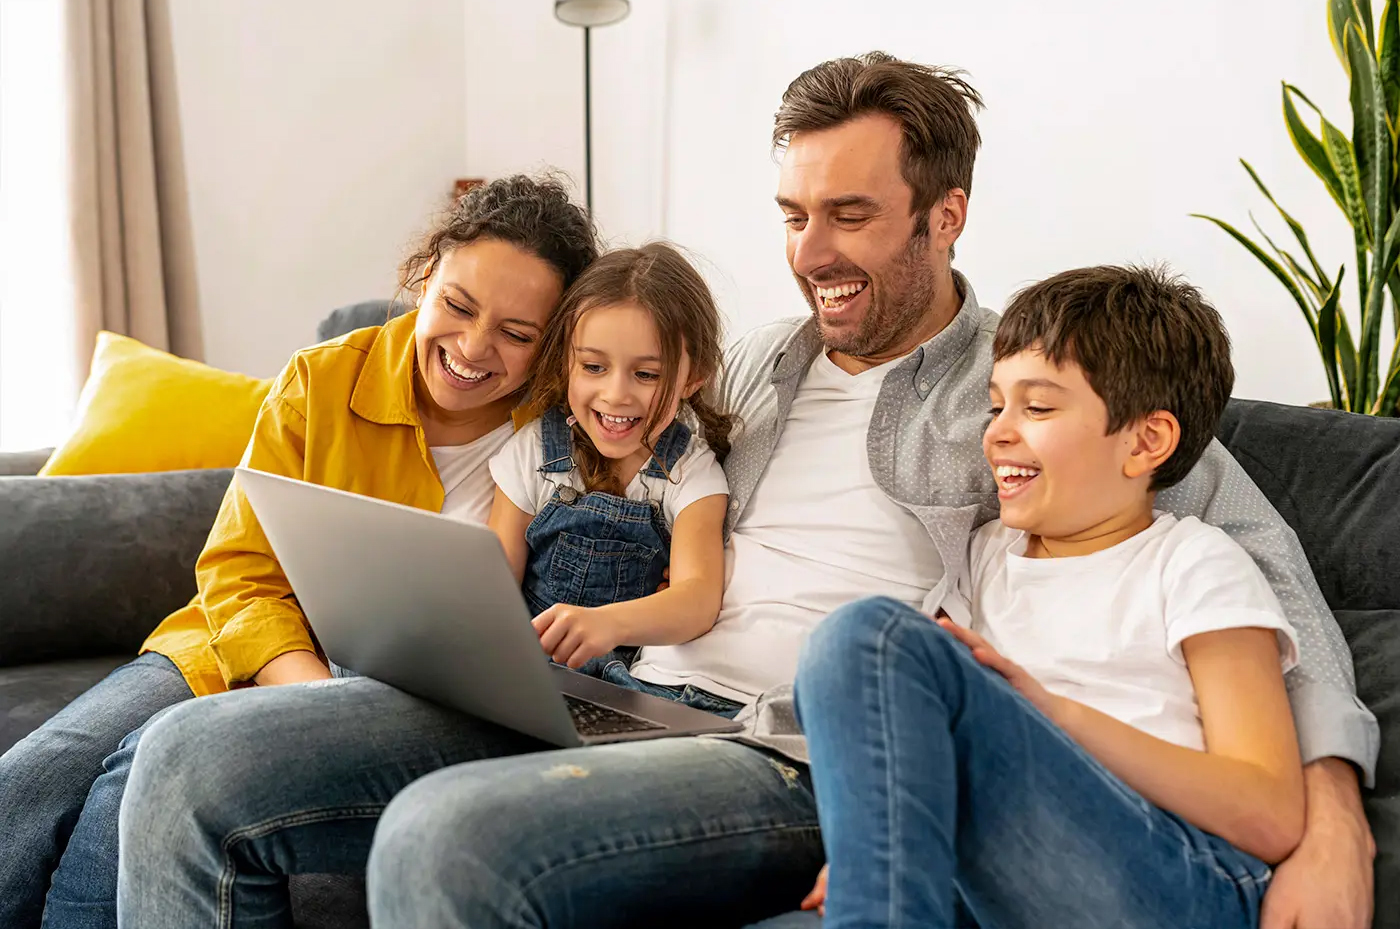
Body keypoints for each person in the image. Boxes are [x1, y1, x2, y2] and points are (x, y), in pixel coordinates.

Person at [117, 54, 1377, 929]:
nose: (810, 251)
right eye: (788, 212)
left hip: (777, 752)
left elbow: (1255, 557)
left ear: (943, 216)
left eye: (848, 215)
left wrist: (1328, 812)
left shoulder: (1024, 395)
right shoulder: (749, 363)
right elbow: (572, 418)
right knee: (190, 762)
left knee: (449, 842)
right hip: (599, 693)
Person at [0, 174, 596, 929]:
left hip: (386, 692)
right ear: (423, 277)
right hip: (231, 645)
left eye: (518, 333)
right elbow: (239, 570)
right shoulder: (323, 379)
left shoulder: (561, 429)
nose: (474, 347)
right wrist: (302, 692)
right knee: (28, 783)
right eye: (457, 304)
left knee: (128, 785)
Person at [794, 265, 1306, 928]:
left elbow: (1270, 811)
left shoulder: (1193, 563)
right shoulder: (984, 559)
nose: (999, 431)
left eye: (1037, 407)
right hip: (1006, 891)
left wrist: (1055, 714)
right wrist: (876, 851)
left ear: (1146, 440)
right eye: (996, 404)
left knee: (866, 637)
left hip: (1180, 881)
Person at [488, 242, 734, 701]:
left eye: (646, 374)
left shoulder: (691, 473)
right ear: (567, 362)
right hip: (524, 673)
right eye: (594, 366)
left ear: (693, 376)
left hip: (623, 687)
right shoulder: (534, 453)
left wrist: (608, 624)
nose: (616, 394)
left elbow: (698, 600)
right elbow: (493, 581)